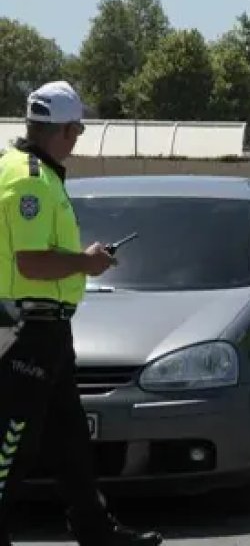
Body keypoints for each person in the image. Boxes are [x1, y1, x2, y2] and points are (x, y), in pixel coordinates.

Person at [0, 82, 162, 545]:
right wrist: (86, 262)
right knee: (13, 444)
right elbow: (30, 262)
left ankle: (94, 529)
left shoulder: (24, 169)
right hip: (25, 329)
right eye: (78, 131)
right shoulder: (31, 179)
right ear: (67, 129)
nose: (77, 140)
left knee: (69, 441)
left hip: (44, 328)